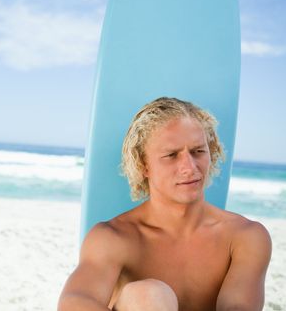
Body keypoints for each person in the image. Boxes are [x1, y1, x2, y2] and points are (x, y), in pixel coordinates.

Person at [58, 97, 271, 311]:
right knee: (149, 295)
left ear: (211, 152)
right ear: (143, 165)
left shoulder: (244, 237)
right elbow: (75, 302)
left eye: (198, 151)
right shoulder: (114, 238)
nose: (189, 167)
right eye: (171, 155)